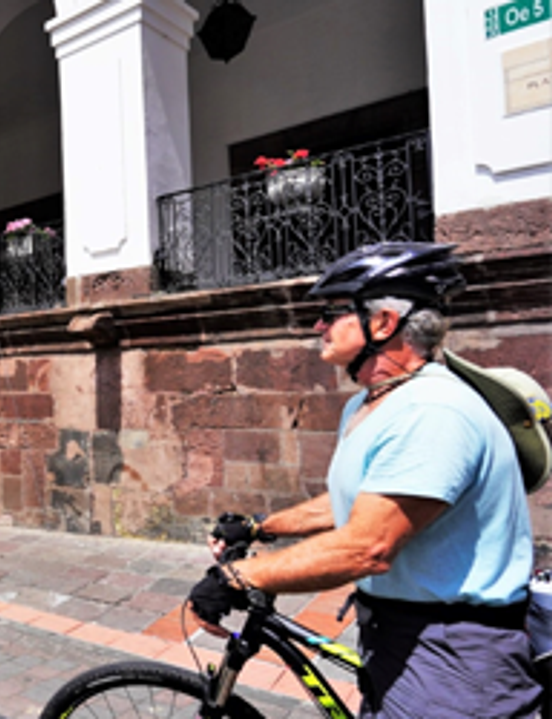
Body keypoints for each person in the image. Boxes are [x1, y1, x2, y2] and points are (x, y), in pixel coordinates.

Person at [188, 242, 542, 717]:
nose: (318, 326)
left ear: (383, 322)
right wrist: (259, 527)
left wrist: (239, 576)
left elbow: (368, 546)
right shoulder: (372, 402)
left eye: (331, 313)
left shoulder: (432, 412)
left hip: (450, 657)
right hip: (396, 634)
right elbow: (360, 501)